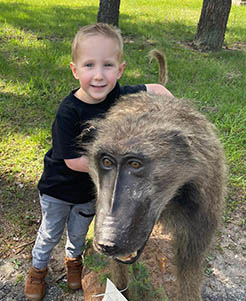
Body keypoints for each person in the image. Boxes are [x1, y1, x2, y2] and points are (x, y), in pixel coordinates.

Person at [24, 23, 173, 301]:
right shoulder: (68, 112)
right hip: (58, 190)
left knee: (79, 233)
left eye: (108, 66)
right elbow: (71, 161)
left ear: (120, 70)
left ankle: (73, 262)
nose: (99, 75)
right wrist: (115, 171)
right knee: (50, 233)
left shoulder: (118, 96)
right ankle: (38, 269)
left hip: (87, 194)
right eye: (90, 65)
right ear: (75, 70)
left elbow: (152, 89)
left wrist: (168, 100)